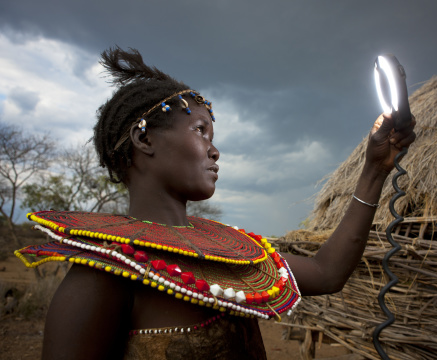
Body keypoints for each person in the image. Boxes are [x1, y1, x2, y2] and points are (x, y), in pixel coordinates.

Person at [16, 47, 416, 360]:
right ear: (144, 139)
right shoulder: (106, 272)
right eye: (200, 130)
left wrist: (374, 169)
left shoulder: (230, 248)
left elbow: (327, 274)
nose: (215, 150)